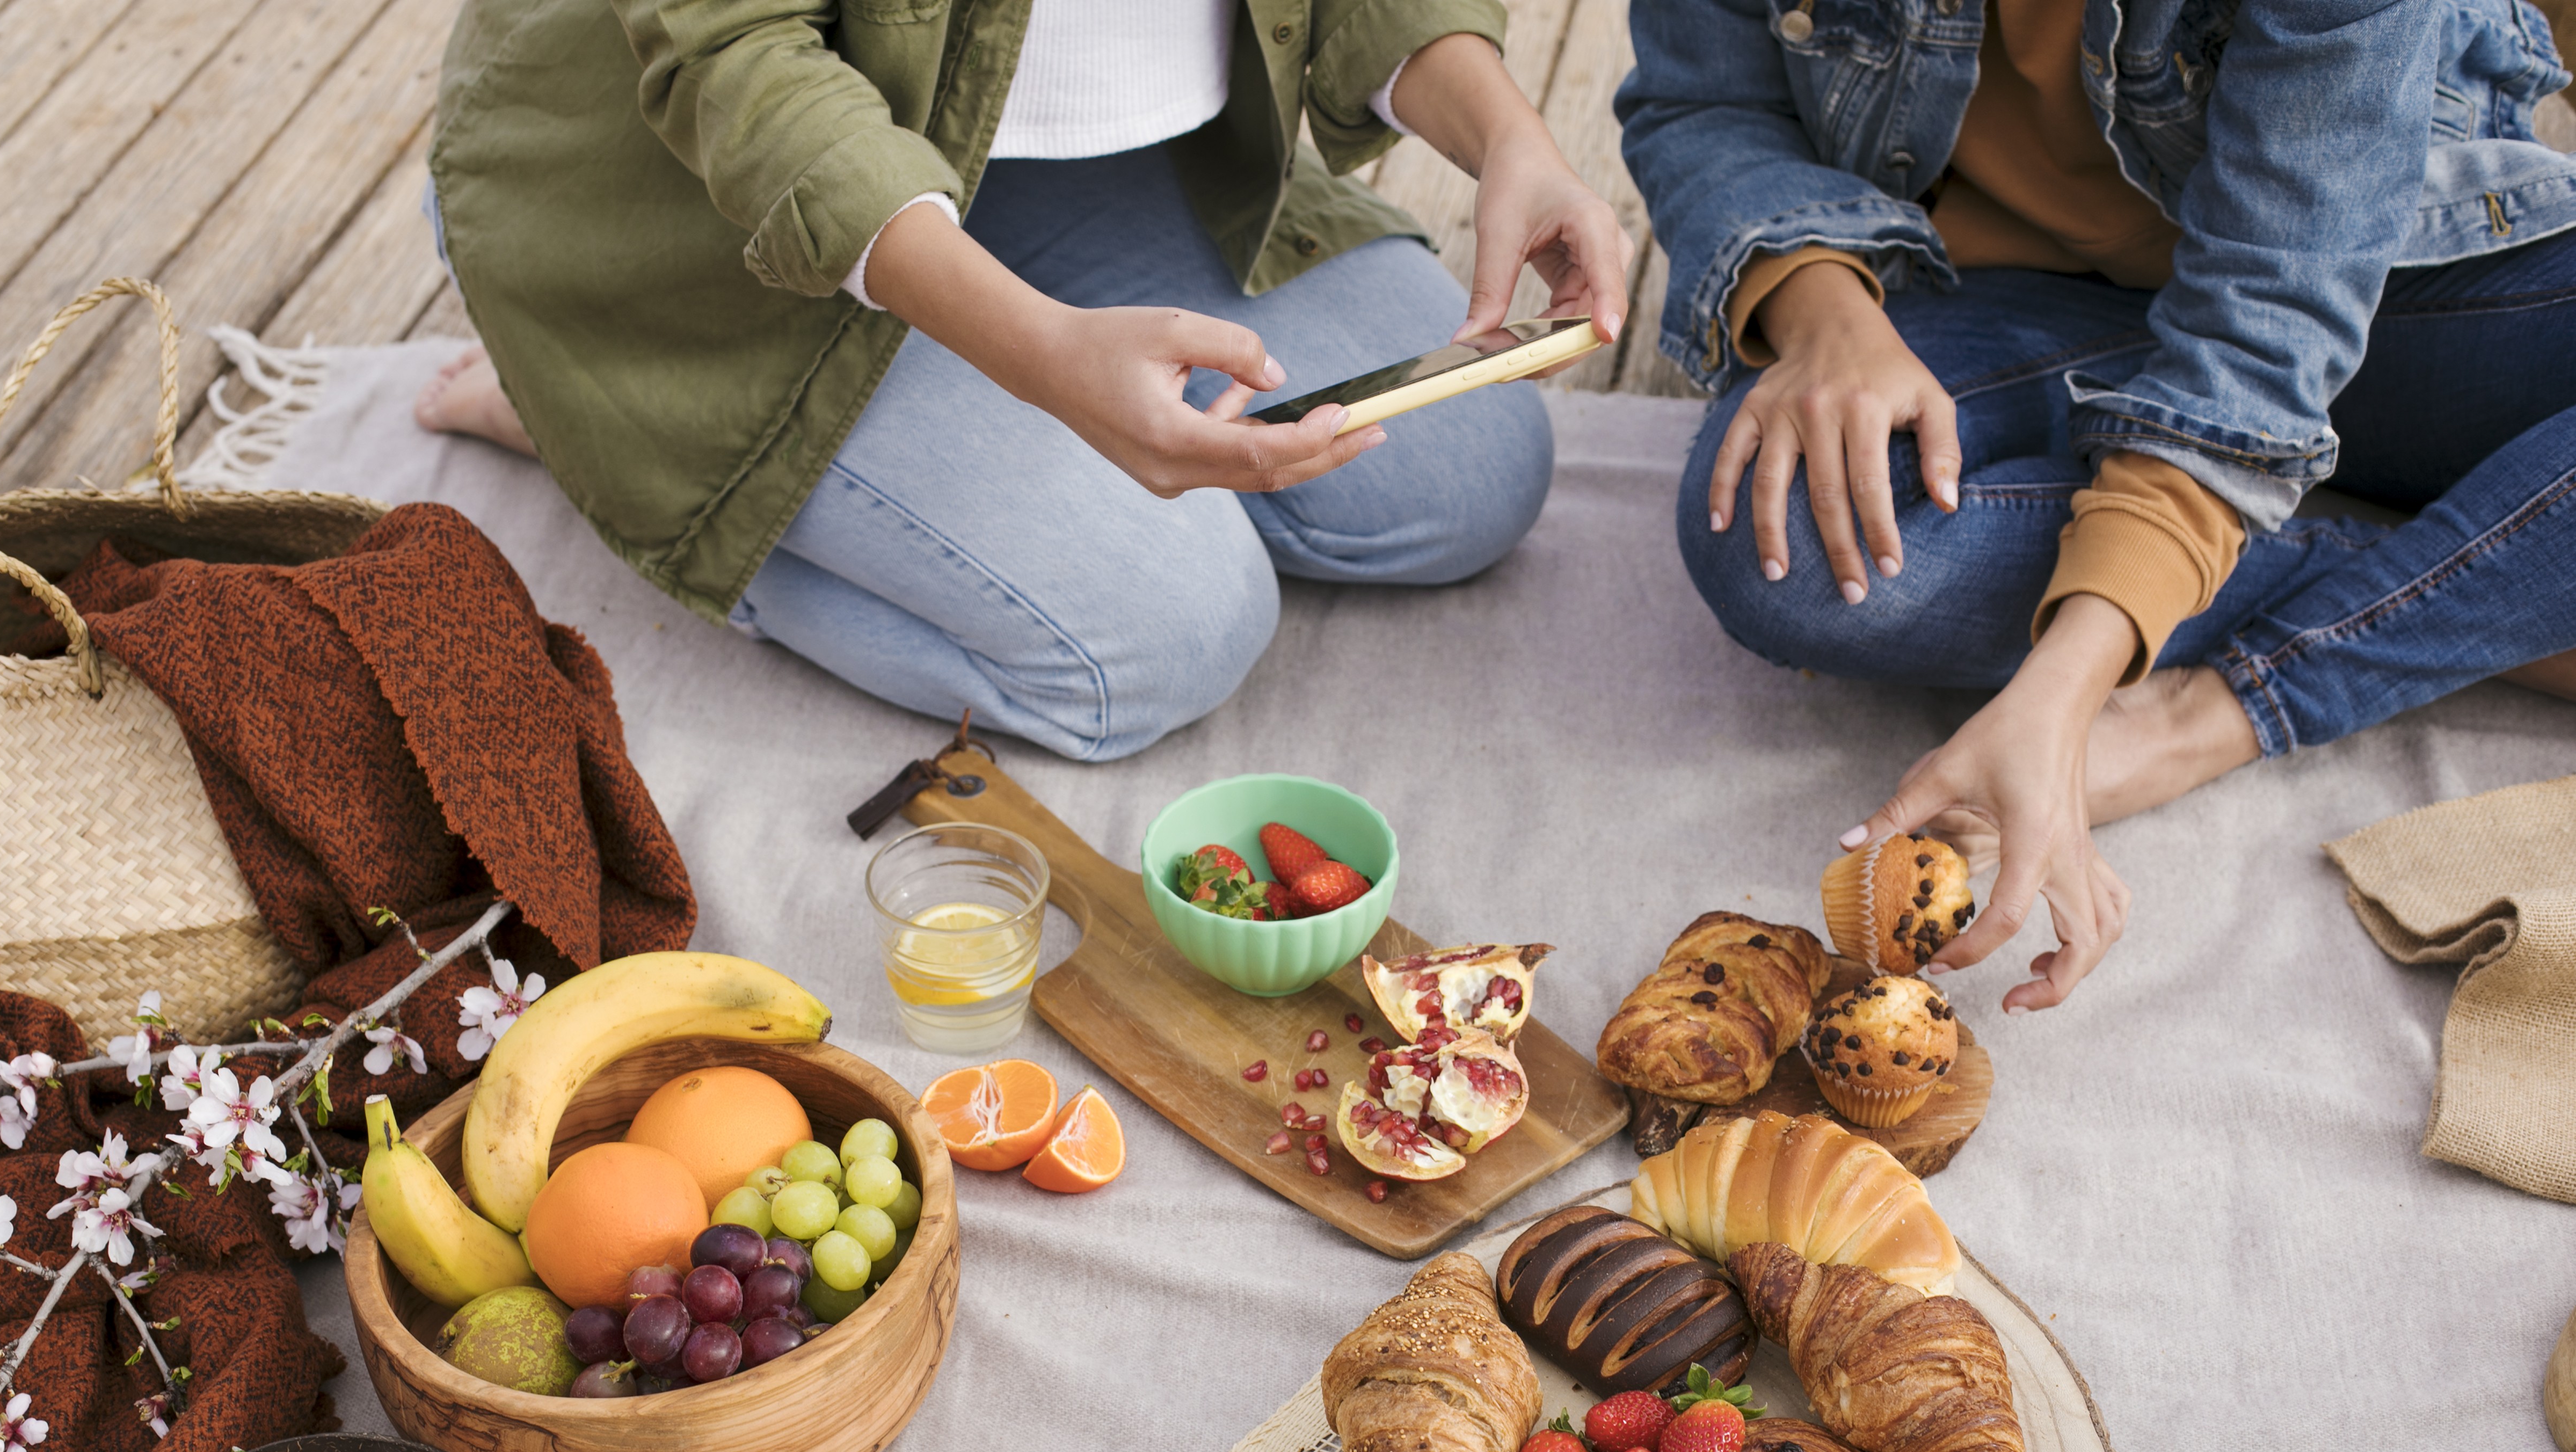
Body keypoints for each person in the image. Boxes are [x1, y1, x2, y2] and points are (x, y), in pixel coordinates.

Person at [1620, 0, 2576, 1011]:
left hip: (2385, 282)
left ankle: (2203, 714)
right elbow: (1701, 99)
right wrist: (1821, 311)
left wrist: (2072, 686)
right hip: (2003, 301)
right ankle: (2495, 569)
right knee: (1787, 533)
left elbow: (2273, 313)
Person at [417, 2, 1631, 761]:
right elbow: (734, 57)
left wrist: (1507, 135)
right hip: (689, 210)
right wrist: (1044, 357)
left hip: (1071, 153)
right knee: (1155, 645)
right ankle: (599, 414)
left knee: (1474, 469)